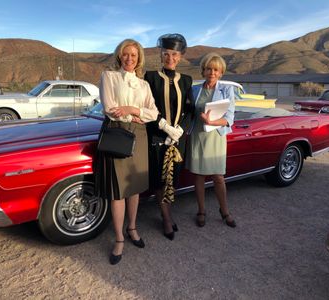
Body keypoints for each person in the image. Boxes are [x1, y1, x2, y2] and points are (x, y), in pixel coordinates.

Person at [98, 39, 158, 265]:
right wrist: (129, 116)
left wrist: (133, 110)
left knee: (134, 188)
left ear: (139, 58)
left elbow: (153, 113)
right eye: (125, 54)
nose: (129, 58)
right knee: (118, 190)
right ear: (119, 56)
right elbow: (109, 108)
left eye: (134, 55)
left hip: (140, 136)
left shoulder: (143, 85)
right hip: (118, 134)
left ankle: (132, 228)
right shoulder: (109, 76)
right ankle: (119, 238)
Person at [145, 33, 194, 240]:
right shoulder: (150, 77)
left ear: (180, 56)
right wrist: (164, 127)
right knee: (159, 179)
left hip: (178, 140)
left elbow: (190, 110)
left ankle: (167, 213)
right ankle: (166, 218)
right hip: (157, 137)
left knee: (172, 179)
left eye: (174, 54)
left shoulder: (187, 80)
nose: (170, 58)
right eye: (166, 53)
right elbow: (146, 107)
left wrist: (180, 130)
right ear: (161, 54)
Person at [186, 52, 236, 228]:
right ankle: (201, 210)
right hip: (197, 136)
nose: (212, 72)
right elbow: (188, 112)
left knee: (218, 177)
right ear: (203, 70)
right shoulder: (194, 90)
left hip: (215, 137)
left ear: (221, 72)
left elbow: (230, 117)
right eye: (208, 69)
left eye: (216, 69)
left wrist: (212, 121)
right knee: (198, 176)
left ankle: (225, 211)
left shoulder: (227, 90)